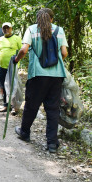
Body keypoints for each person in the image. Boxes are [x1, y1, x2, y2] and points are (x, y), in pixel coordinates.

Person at [13, 8, 68, 153]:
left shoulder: (31, 30)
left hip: (37, 74)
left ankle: (25, 132)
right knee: (52, 108)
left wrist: (16, 59)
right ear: (52, 19)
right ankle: (51, 143)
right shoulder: (59, 30)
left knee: (32, 104)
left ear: (38, 18)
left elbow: (24, 50)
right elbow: (64, 53)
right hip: (56, 75)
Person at [0, 22, 22, 113]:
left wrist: (17, 59)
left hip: (13, 66)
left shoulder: (17, 38)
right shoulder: (0, 39)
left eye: (8, 28)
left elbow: (22, 51)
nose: (6, 30)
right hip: (2, 66)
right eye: (4, 28)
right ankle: (6, 105)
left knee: (13, 86)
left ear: (11, 29)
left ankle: (14, 107)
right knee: (3, 85)